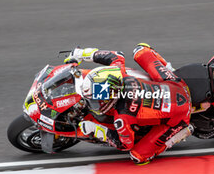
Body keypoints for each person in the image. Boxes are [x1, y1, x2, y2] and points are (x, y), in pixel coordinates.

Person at [64, 43, 193, 164]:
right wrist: (80, 53)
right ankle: (169, 71)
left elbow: (125, 145)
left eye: (96, 101)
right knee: (141, 50)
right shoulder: (119, 73)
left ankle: (179, 134)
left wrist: (97, 130)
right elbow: (116, 55)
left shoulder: (122, 118)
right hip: (174, 83)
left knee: (138, 156)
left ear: (112, 98)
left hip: (179, 117)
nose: (94, 104)